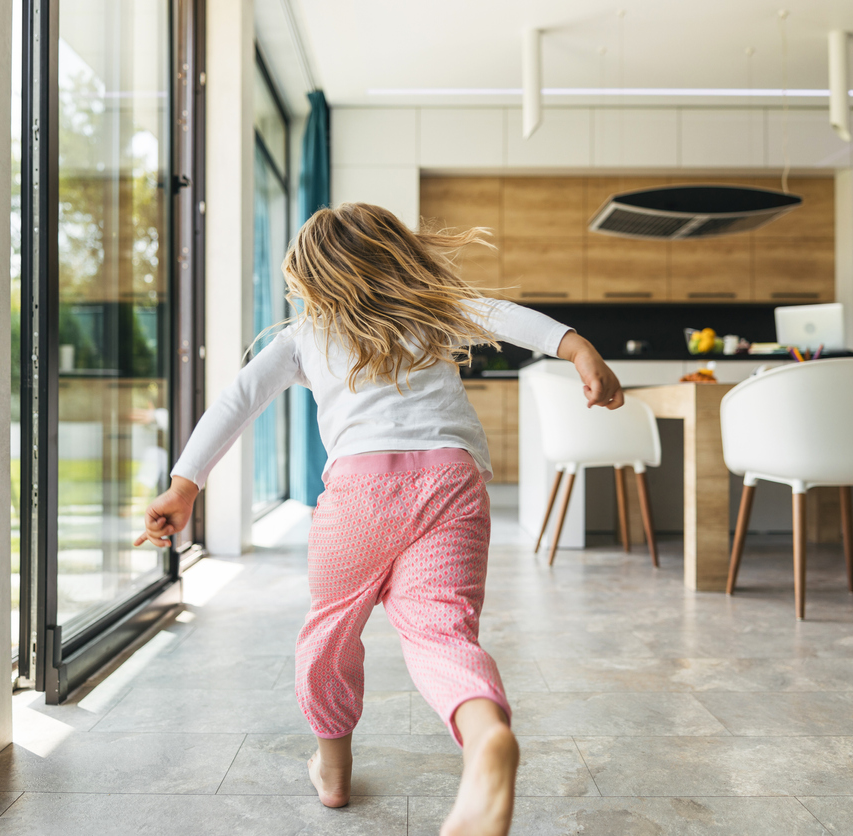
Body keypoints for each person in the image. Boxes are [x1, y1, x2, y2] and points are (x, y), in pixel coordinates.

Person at [134, 203, 623, 836]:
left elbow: (238, 399)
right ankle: (486, 739)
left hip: (359, 497)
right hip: (453, 484)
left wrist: (184, 485)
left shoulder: (305, 335)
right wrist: (580, 350)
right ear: (398, 256)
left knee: (331, 633)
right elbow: (511, 319)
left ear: (313, 276)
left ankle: (333, 772)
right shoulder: (436, 306)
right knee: (443, 634)